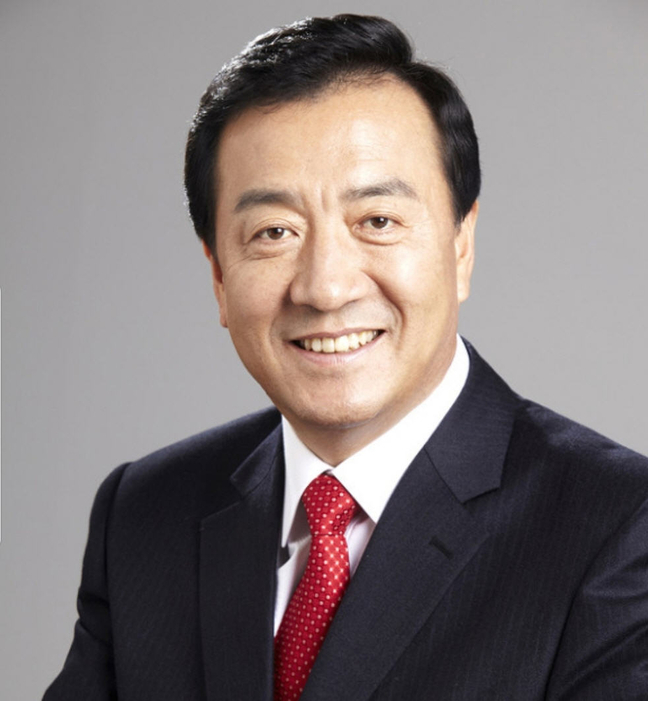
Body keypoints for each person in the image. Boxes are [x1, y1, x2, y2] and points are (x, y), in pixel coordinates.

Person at [44, 13, 648, 701]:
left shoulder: (618, 527)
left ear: (461, 245)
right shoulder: (146, 514)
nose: (325, 287)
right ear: (217, 275)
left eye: (377, 221)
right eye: (274, 232)